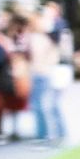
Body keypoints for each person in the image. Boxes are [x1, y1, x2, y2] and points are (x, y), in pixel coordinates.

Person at [26, 15, 65, 143]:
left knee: (39, 105)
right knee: (48, 105)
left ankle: (43, 135)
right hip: (45, 73)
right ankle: (56, 133)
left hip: (40, 73)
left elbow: (37, 58)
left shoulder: (37, 38)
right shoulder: (47, 39)